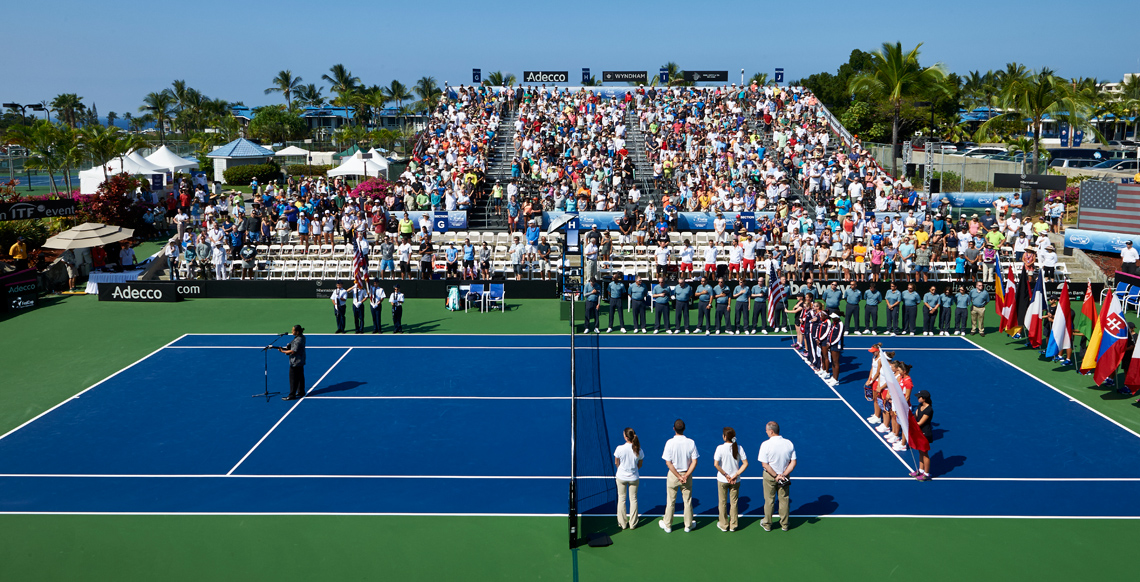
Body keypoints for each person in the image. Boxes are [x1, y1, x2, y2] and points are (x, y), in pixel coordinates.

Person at [660, 419, 698, 534]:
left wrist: (678, 476)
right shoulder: (691, 442)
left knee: (670, 501)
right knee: (687, 501)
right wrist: (685, 476)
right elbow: (694, 461)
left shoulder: (669, 443)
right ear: (684, 428)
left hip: (673, 476)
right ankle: (688, 525)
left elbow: (668, 463)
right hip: (686, 475)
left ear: (674, 429)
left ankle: (667, 525)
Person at [758, 421, 796, 532]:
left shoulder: (765, 444)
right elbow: (793, 462)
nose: (765, 432)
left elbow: (764, 464)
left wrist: (776, 476)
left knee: (769, 500)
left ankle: (768, 524)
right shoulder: (789, 443)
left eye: (766, 430)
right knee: (784, 500)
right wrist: (783, 475)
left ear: (771, 431)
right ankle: (784, 525)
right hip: (785, 477)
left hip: (770, 477)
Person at [713, 427, 749, 532]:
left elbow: (716, 464)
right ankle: (733, 525)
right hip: (735, 481)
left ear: (724, 437)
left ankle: (724, 525)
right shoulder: (739, 448)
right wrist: (735, 475)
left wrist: (726, 475)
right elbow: (745, 463)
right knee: (734, 503)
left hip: (722, 480)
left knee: (722, 502)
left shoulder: (720, 448)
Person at [614, 427, 644, 530]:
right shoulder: (639, 450)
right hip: (634, 478)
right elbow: (640, 465)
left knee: (621, 499)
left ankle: (622, 523)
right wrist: (633, 470)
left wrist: (621, 470)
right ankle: (633, 524)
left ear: (626, 437)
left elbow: (616, 462)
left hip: (621, 477)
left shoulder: (619, 448)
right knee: (633, 499)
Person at [276, 325, 307, 401]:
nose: (292, 331)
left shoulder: (298, 340)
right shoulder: (302, 337)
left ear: (297, 332)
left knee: (293, 379)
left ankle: (292, 395)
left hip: (295, 362)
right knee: (300, 377)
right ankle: (301, 391)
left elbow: (293, 351)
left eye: (293, 330)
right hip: (300, 360)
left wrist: (283, 351)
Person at [911, 390, 934, 482]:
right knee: (920, 452)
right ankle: (920, 470)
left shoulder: (929, 410)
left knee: (925, 453)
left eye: (919, 397)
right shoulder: (920, 406)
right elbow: (914, 417)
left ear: (924, 399)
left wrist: (910, 424)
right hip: (919, 433)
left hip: (925, 434)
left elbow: (919, 423)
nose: (917, 398)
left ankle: (926, 474)